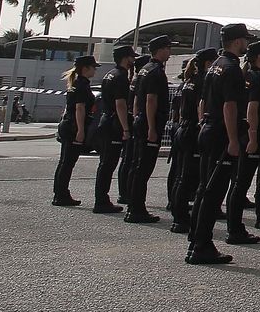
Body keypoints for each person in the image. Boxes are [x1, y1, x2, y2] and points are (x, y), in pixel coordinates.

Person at [188, 23, 250, 265]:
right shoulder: (232, 68)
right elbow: (230, 106)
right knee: (213, 192)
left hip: (208, 128)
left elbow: (204, 101)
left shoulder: (215, 65)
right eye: (244, 39)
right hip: (221, 134)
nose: (246, 43)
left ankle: (196, 238)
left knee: (205, 188)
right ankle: (202, 245)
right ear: (237, 41)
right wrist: (234, 139)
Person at [227, 40, 260, 245]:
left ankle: (234, 226)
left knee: (239, 182)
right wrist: (253, 136)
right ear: (259, 57)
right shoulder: (254, 77)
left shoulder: (250, 75)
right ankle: (235, 228)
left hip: (246, 131)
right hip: (251, 133)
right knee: (241, 182)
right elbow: (252, 109)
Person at [124, 36, 173, 223]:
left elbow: (137, 99)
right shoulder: (156, 72)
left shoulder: (144, 70)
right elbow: (151, 100)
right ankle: (137, 208)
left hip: (141, 121)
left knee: (137, 165)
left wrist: (138, 117)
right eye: (168, 48)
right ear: (160, 50)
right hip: (149, 123)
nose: (169, 52)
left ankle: (134, 205)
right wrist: (152, 127)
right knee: (143, 167)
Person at [167, 47, 214, 234]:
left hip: (182, 128)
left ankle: (178, 214)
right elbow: (200, 106)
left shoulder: (189, 81)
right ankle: (181, 218)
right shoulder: (202, 81)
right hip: (192, 129)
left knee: (181, 175)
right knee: (187, 176)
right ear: (207, 63)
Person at [92, 45, 134, 214]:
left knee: (105, 163)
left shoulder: (109, 74)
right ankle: (101, 200)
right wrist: (125, 129)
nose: (133, 61)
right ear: (125, 58)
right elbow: (120, 104)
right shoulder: (121, 76)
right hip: (114, 123)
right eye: (131, 57)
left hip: (106, 121)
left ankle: (101, 198)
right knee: (109, 164)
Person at [52, 55, 98, 207]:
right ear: (85, 68)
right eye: (93, 67)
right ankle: (62, 195)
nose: (95, 70)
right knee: (68, 162)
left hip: (68, 124)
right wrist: (80, 130)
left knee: (64, 162)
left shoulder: (76, 83)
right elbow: (80, 108)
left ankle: (60, 193)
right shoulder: (81, 85)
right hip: (73, 126)